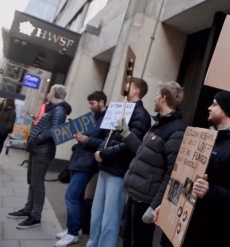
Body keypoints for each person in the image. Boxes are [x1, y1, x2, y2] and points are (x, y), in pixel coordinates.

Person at [156, 90, 230, 247]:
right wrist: (167, 205)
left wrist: (210, 191)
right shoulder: (202, 137)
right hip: (179, 226)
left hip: (203, 232)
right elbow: (183, 175)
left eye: (214, 104)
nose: (209, 108)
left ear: (227, 109)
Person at [117, 81, 186, 247]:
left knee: (139, 243)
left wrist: (155, 205)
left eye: (156, 95)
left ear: (163, 98)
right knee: (127, 240)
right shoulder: (159, 124)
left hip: (146, 200)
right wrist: (126, 133)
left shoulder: (176, 130)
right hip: (136, 195)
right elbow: (143, 152)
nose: (154, 98)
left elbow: (172, 173)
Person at [86, 78, 151, 247]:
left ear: (136, 90)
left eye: (129, 85)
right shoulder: (121, 108)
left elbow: (130, 144)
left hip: (119, 170)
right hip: (106, 166)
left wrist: (104, 153)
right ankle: (93, 243)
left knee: (111, 217)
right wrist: (101, 151)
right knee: (97, 213)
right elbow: (108, 136)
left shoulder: (140, 115)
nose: (125, 88)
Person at [8, 85, 72, 229]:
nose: (47, 94)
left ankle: (35, 216)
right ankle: (28, 209)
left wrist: (37, 139)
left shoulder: (59, 110)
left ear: (54, 94)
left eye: (50, 92)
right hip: (37, 150)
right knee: (32, 181)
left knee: (37, 183)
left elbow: (55, 131)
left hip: (43, 151)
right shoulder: (53, 109)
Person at [54, 91, 109, 247]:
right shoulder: (92, 117)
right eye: (89, 103)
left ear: (101, 102)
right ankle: (74, 229)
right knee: (77, 197)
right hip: (78, 160)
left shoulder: (107, 118)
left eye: (92, 103)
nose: (90, 106)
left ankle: (72, 233)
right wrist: (79, 138)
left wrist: (87, 140)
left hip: (87, 163)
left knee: (71, 195)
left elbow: (106, 142)